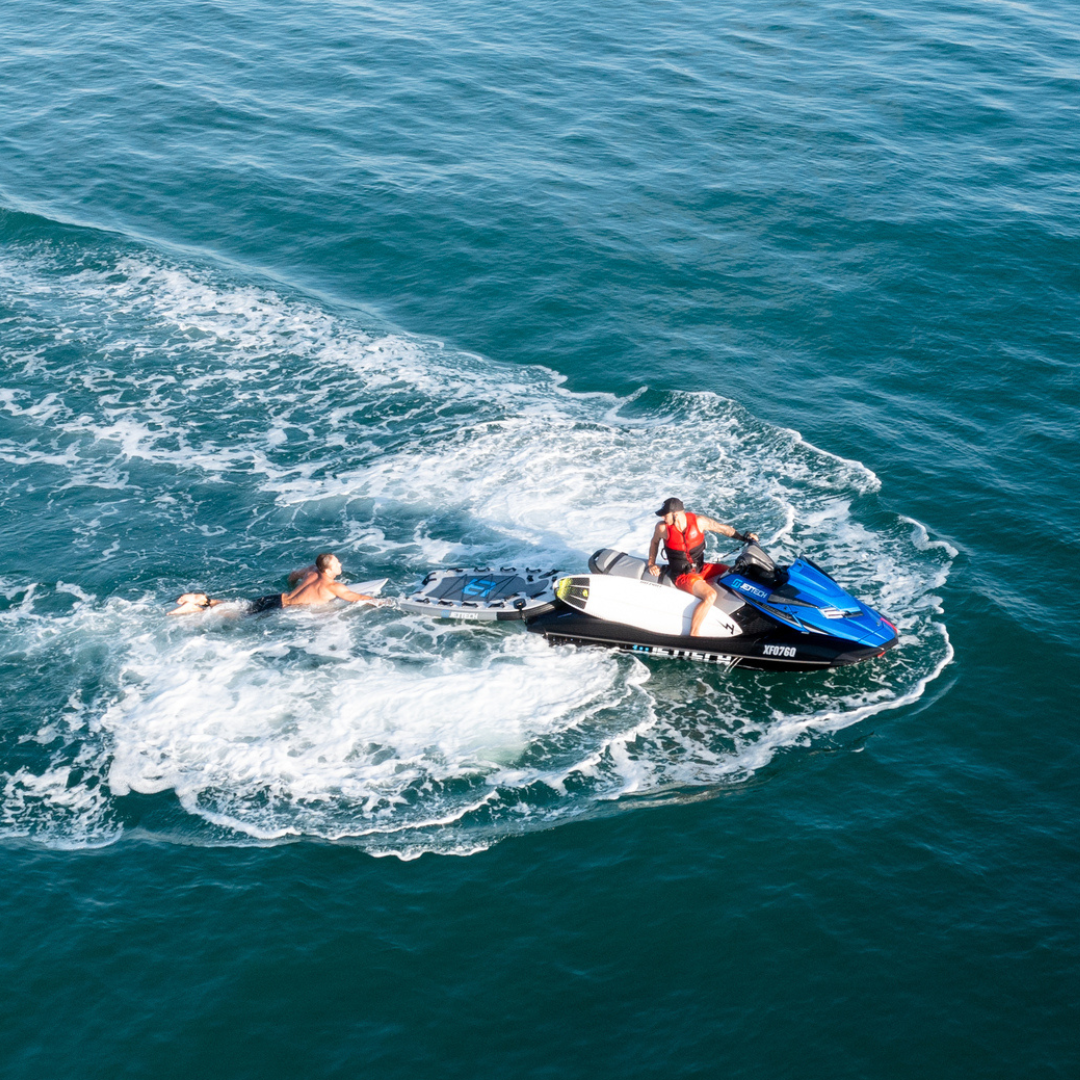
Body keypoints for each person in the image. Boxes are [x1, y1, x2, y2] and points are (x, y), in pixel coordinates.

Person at [646, 497, 758, 637]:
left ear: (675, 514)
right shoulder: (662, 528)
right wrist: (651, 563)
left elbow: (722, 529)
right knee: (710, 596)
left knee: (734, 573)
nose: (662, 517)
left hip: (701, 568)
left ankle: (750, 611)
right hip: (683, 576)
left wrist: (745, 538)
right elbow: (654, 542)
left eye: (665, 514)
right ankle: (694, 635)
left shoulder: (699, 522)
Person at [168, 553, 387, 615]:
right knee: (237, 614)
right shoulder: (334, 587)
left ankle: (203, 602)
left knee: (242, 607)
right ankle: (198, 605)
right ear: (329, 569)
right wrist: (382, 602)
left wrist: (299, 588)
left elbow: (292, 576)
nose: (341, 566)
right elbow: (357, 598)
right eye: (338, 564)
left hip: (277, 597)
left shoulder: (311, 572)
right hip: (282, 608)